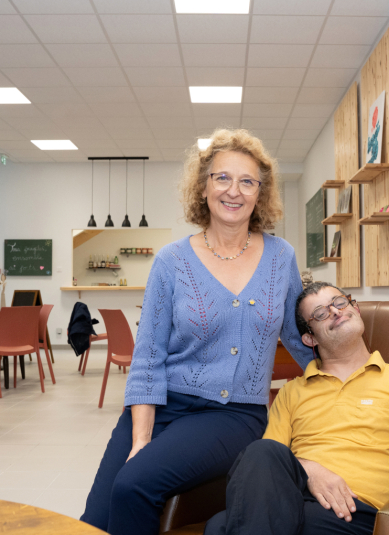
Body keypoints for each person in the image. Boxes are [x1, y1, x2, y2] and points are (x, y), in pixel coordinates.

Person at [80, 129, 314, 535]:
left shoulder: (281, 257)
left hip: (232, 414)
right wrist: (141, 439)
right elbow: (148, 357)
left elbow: (299, 338)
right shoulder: (172, 261)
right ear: (203, 187)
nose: (234, 191)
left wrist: (352, 376)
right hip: (162, 403)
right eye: (222, 177)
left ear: (261, 193)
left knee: (133, 486)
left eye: (247, 181)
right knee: (94, 521)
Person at [205, 282, 389, 535]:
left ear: (356, 309)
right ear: (309, 338)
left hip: (355, 512)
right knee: (260, 453)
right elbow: (270, 463)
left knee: (222, 526)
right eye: (320, 313)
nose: (336, 311)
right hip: (293, 499)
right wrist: (311, 470)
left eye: (339, 302)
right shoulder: (292, 392)